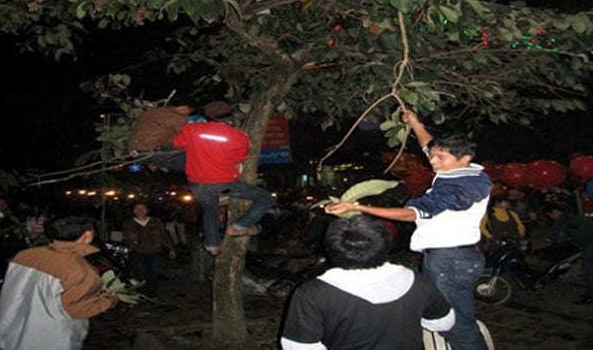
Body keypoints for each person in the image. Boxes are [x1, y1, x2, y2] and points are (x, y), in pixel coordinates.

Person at [325, 109, 492, 350]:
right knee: (422, 298)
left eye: (440, 158)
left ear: (463, 158)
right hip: (452, 257)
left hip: (450, 261)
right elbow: (428, 144)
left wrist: (356, 206)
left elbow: (412, 213)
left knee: (457, 325)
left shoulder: (460, 187)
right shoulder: (460, 169)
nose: (432, 161)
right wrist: (415, 122)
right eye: (433, 156)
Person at [280, 214, 455, 349]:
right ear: (386, 245)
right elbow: (443, 322)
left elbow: (297, 346)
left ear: (331, 249)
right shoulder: (417, 282)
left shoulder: (312, 293)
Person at [0, 216, 119, 350]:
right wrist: (109, 300)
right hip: (48, 337)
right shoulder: (80, 268)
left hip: (9, 329)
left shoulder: (24, 255)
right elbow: (76, 309)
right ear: (88, 235)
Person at [172, 101, 276, 256]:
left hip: (197, 184)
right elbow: (241, 157)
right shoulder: (238, 136)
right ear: (229, 116)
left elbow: (177, 143)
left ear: (207, 116)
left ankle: (212, 245)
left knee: (210, 209)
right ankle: (240, 226)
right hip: (223, 185)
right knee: (265, 198)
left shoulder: (192, 130)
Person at [542, 203, 593, 304]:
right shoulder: (572, 216)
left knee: (589, 269)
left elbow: (559, 237)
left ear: (554, 212)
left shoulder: (562, 221)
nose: (551, 217)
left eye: (550, 215)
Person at [122, 202, 176, 297]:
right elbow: (126, 238)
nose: (140, 211)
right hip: (137, 252)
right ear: (134, 211)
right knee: (140, 273)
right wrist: (133, 245)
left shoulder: (156, 221)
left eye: (143, 208)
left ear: (147, 210)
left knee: (154, 273)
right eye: (137, 209)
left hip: (155, 251)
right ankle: (140, 291)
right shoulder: (129, 223)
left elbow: (163, 235)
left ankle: (151, 294)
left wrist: (171, 248)